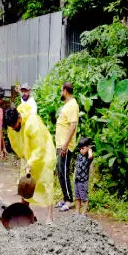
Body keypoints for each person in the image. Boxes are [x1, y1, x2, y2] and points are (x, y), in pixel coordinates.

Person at [4, 106, 56, 223]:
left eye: (14, 125)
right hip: (27, 155)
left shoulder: (33, 122)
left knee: (46, 184)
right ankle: (25, 214)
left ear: (19, 118)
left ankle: (50, 217)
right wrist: (25, 159)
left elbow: (40, 146)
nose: (13, 128)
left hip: (44, 154)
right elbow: (15, 142)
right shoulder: (12, 126)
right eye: (11, 127)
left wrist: (31, 162)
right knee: (24, 184)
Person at [55, 81, 80, 211]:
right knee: (60, 172)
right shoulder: (68, 105)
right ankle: (65, 198)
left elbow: (73, 125)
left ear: (65, 91)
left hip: (66, 146)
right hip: (60, 145)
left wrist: (65, 145)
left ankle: (69, 200)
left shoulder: (73, 105)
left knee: (64, 173)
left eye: (61, 90)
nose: (61, 93)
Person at [74, 137, 94, 215]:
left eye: (83, 148)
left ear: (87, 147)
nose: (81, 150)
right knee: (77, 197)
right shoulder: (79, 156)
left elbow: (90, 156)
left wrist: (89, 149)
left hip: (83, 181)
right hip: (77, 180)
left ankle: (84, 213)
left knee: (84, 198)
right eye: (80, 149)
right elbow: (76, 167)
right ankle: (77, 212)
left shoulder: (88, 157)